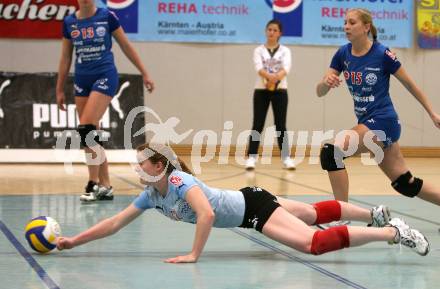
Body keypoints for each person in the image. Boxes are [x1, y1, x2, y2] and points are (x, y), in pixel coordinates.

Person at [56, 143, 430, 263]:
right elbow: (115, 223)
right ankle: (374, 214)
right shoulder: (151, 194)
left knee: (312, 243)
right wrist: (73, 240)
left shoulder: (176, 180)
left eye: (141, 165)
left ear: (158, 165)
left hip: (253, 210)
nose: (138, 171)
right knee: (315, 214)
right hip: (250, 198)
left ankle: (390, 231)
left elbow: (205, 214)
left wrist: (193, 255)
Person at [315, 9, 440, 226]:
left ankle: (343, 217)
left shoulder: (382, 54)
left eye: (351, 22)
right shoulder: (342, 54)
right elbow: (319, 92)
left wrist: (431, 113)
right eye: (344, 22)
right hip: (368, 124)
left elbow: (411, 85)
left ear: (365, 27)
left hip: (384, 122)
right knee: (405, 184)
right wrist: (325, 83)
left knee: (331, 153)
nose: (346, 26)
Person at [56, 0, 154, 202]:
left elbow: (126, 46)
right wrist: (59, 88)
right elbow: (65, 57)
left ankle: (92, 183)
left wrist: (145, 73)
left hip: (105, 75)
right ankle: (106, 185)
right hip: (82, 79)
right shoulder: (69, 22)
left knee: (86, 129)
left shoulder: (107, 16)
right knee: (90, 135)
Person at [245, 19, 295, 170]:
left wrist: (274, 80)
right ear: (266, 31)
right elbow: (258, 68)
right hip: (261, 91)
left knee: (281, 125)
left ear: (280, 33)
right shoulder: (258, 50)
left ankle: (286, 158)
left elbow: (286, 68)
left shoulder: (285, 51)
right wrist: (268, 79)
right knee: (257, 124)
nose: (271, 32)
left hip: (280, 91)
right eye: (269, 29)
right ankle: (251, 158)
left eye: (275, 30)